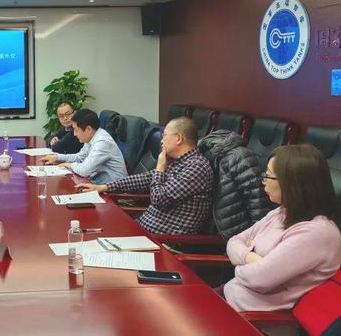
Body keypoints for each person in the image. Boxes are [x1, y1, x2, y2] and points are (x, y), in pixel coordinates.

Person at [222, 144, 341, 312]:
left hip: (253, 316)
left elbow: (259, 278)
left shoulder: (318, 233)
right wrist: (251, 257)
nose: (263, 181)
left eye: (269, 175)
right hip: (232, 295)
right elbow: (233, 242)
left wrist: (241, 260)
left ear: (292, 183)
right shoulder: (282, 212)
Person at [76, 117, 213, 234]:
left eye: (165, 135)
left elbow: (159, 199)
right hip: (142, 229)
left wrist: (160, 168)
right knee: (93, 229)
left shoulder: (196, 167)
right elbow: (146, 179)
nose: (161, 140)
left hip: (164, 241)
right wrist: (104, 187)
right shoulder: (176, 161)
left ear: (178, 138)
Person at [40, 108, 127, 185]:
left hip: (114, 192)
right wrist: (57, 157)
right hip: (97, 183)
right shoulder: (92, 136)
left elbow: (84, 170)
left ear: (88, 129)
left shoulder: (102, 142)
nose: (74, 134)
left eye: (76, 130)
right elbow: (80, 157)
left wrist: (69, 165)